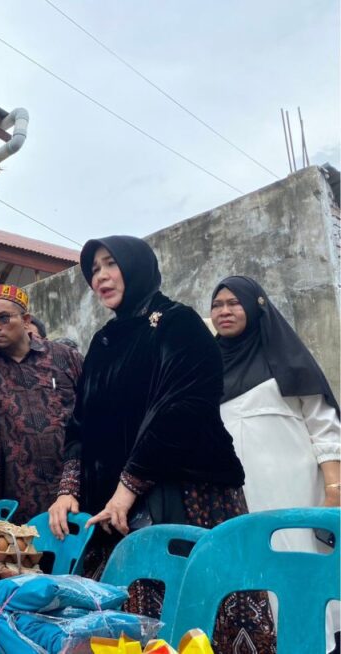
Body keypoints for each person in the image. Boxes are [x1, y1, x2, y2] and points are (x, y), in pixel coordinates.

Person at [48, 236, 275, 654]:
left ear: (136, 266)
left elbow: (182, 411)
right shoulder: (102, 342)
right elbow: (79, 424)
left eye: (110, 264)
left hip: (185, 498)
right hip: (112, 513)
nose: (100, 276)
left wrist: (127, 490)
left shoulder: (177, 323)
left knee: (200, 623)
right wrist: (67, 491)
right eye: (93, 269)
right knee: (130, 633)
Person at [211, 275, 340, 652]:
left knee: (301, 567)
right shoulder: (207, 366)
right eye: (217, 305)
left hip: (294, 492)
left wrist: (334, 491)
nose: (224, 311)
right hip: (239, 497)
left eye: (233, 303)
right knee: (260, 578)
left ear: (256, 306)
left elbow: (325, 427)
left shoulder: (286, 358)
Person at [0, 284, 83, 524]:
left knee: (79, 555)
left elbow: (89, 417)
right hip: (17, 490)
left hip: (73, 487)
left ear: (26, 321)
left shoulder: (65, 357)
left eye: (3, 318)